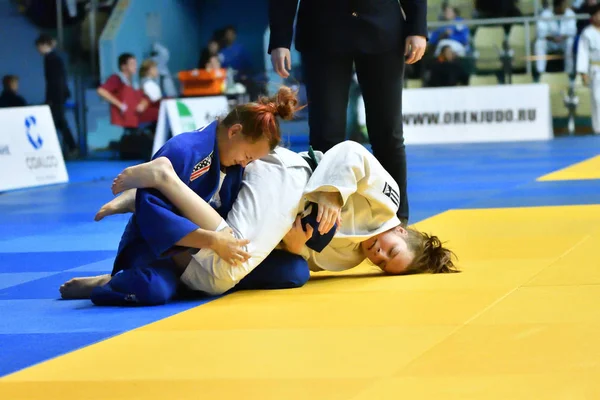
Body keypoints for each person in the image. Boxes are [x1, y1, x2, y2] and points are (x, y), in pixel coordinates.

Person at [66, 141, 457, 302]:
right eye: (390, 250)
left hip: (279, 221)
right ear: (401, 231)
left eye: (383, 264)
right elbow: (351, 151)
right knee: (218, 273)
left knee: (292, 273)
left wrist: (295, 247)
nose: (378, 255)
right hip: (291, 177)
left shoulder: (352, 259)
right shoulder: (387, 199)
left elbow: (305, 258)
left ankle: (146, 259)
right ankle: (162, 189)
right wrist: (329, 193)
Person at [59, 86, 302, 305]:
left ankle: (187, 283)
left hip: (212, 256)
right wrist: (212, 241)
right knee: (153, 290)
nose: (246, 163)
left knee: (294, 271)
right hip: (165, 253)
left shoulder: (236, 165)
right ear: (234, 131)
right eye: (248, 156)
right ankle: (109, 283)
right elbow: (153, 217)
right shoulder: (185, 150)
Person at [268, 0, 428, 227]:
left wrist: (417, 27)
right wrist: (280, 40)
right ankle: (324, 223)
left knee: (388, 133)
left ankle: (397, 219)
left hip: (382, 28)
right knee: (325, 133)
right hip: (322, 31)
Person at [35, 34, 77, 158]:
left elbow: (54, 81)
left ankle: (68, 148)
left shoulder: (50, 59)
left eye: (38, 47)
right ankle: (70, 147)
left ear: (43, 45)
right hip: (59, 96)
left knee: (58, 122)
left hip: (56, 97)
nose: (38, 50)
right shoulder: (55, 58)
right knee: (59, 122)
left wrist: (50, 99)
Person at [534, 0, 577, 75]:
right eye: (562, 6)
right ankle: (540, 72)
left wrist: (562, 37)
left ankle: (569, 73)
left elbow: (572, 31)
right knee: (539, 43)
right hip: (550, 41)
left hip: (563, 41)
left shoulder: (570, 13)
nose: (564, 8)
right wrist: (552, 38)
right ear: (556, 6)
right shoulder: (545, 14)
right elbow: (541, 32)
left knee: (570, 42)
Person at [576, 4, 600, 134]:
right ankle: (598, 128)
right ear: (593, 16)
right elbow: (583, 53)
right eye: (598, 14)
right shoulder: (587, 33)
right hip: (596, 69)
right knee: (597, 98)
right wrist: (583, 73)